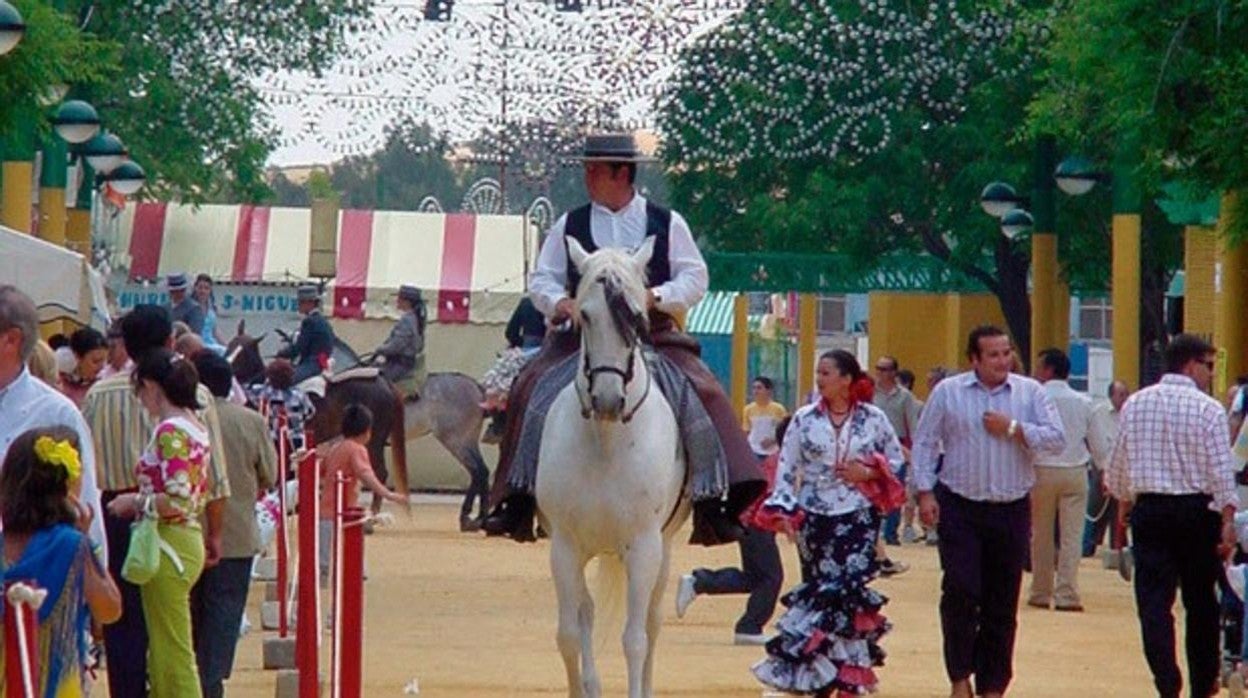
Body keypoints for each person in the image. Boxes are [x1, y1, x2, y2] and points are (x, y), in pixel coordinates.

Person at [482, 133, 765, 545]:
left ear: (621, 173)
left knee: (704, 391)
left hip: (652, 334)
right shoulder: (569, 224)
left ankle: (714, 499)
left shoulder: (667, 222)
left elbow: (695, 277)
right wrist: (561, 303)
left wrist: (655, 296)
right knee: (530, 385)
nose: (587, 176)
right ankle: (517, 497)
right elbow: (543, 278)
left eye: (594, 169)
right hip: (583, 335)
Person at [80, 304, 231, 698]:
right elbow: (215, 478)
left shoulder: (98, 394)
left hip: (127, 517)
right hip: (171, 525)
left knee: (126, 629)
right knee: (172, 634)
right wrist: (216, 531)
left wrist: (133, 503)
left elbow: (86, 464)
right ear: (169, 341)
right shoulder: (196, 397)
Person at [912, 325, 1065, 698]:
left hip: (1010, 508)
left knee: (1002, 600)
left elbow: (1056, 439)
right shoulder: (948, 392)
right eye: (993, 354)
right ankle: (959, 676)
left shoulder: (1031, 392)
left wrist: (1013, 428)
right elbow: (926, 442)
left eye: (1006, 352)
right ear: (974, 359)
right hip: (959, 505)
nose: (1002, 361)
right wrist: (924, 492)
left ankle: (993, 684)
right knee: (960, 590)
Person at [751, 350, 904, 697]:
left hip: (858, 515)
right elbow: (786, 467)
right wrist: (784, 513)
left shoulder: (873, 418)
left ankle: (849, 678)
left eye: (826, 373)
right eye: (818, 373)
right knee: (818, 592)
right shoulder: (804, 418)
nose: (819, 379)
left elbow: (896, 460)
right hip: (814, 517)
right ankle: (815, 676)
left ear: (847, 379)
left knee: (848, 593)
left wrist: (868, 471)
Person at [1106, 334, 1238, 698]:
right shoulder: (1209, 409)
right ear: (1190, 365)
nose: (1211, 374)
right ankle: (1202, 683)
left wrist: (1124, 500)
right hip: (1198, 512)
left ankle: (1166, 680)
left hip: (1151, 510)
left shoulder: (1135, 404)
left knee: (1153, 602)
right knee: (1201, 601)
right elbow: (1220, 471)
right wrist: (1227, 519)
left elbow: (1117, 466)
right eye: (1208, 366)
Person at [106, 348, 214, 697]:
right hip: (180, 540)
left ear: (151, 386)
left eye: (140, 390)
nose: (140, 398)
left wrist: (134, 502)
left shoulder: (171, 431)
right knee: (169, 647)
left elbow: (178, 499)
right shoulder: (193, 425)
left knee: (171, 650)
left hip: (169, 540)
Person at [0, 427, 122, 698]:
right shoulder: (72, 545)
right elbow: (110, 610)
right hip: (57, 685)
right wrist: (85, 544)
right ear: (67, 488)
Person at [190, 352, 277, 698]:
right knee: (224, 614)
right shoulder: (251, 421)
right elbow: (269, 474)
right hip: (237, 534)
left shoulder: (182, 420)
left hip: (187, 533)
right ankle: (212, 681)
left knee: (189, 613)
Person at [0, 286, 107, 555]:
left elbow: (85, 508)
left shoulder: (55, 414)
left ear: (11, 340)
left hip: (27, 570)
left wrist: (91, 567)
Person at [677, 414, 788, 645]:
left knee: (754, 578)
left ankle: (699, 582)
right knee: (771, 577)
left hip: (752, 523)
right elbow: (769, 497)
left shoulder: (780, 460)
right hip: (756, 524)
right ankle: (749, 627)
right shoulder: (782, 462)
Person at [1028, 347, 1112, 613]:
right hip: (1075, 470)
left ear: (1048, 370)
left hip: (1041, 469)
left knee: (1041, 534)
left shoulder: (1033, 399)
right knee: (1072, 536)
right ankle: (1067, 593)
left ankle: (1041, 591)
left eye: (1039, 367)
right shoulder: (1084, 402)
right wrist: (1105, 471)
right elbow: (1099, 445)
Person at [318, 404, 407, 578]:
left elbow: (322, 470)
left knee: (326, 564)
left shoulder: (336, 448)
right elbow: (365, 474)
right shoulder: (357, 449)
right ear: (367, 431)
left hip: (326, 513)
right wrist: (387, 494)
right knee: (352, 563)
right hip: (344, 514)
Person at [873, 355, 921, 551]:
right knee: (871, 488)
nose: (879, 373)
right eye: (878, 368)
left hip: (896, 445)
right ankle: (873, 531)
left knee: (895, 487)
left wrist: (914, 450)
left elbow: (912, 423)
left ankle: (891, 532)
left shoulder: (905, 397)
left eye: (884, 369)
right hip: (872, 445)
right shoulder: (870, 393)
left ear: (893, 372)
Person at [249, 358, 317, 454]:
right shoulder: (299, 395)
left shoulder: (261, 392)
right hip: (295, 441)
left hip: (270, 441)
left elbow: (247, 396)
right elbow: (310, 412)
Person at [277, 284, 336, 385]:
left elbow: (299, 347)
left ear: (310, 303)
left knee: (285, 381)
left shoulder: (309, 321)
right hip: (321, 362)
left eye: (300, 302)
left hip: (312, 364)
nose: (298, 305)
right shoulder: (322, 320)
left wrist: (282, 353)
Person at [375, 284, 426, 398]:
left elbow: (396, 346)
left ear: (407, 302)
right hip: (408, 361)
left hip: (400, 364)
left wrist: (380, 349)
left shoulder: (407, 320)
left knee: (377, 382)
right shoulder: (416, 318)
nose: (397, 301)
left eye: (399, 299)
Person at [60, 327, 109, 407]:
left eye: (104, 361)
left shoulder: (105, 385)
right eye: (95, 361)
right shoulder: (60, 383)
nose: (102, 367)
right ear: (77, 357)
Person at [743, 376, 787, 460]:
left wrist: (773, 441)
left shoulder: (779, 409)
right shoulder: (748, 409)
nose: (755, 391)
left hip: (773, 451)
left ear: (768, 391)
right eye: (754, 388)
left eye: (759, 388)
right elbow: (747, 431)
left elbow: (784, 431)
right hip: (753, 450)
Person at [192, 274, 227, 354]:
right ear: (195, 288)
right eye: (200, 287)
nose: (203, 291)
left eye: (206, 288)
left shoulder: (211, 309)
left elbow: (215, 331)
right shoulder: (191, 308)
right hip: (197, 344)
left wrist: (227, 346)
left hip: (212, 343)